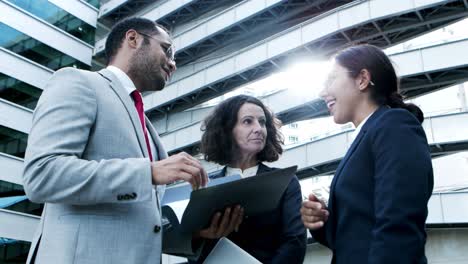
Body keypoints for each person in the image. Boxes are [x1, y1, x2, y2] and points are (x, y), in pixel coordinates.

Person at [22, 17, 208, 264]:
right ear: (133, 39)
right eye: (167, 49)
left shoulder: (145, 124)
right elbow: (42, 174)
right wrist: (146, 173)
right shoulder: (78, 82)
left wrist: (195, 234)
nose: (173, 64)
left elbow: (142, 226)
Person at [301, 44, 434, 263]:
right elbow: (354, 238)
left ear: (362, 79)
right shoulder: (370, 133)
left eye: (331, 79)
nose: (322, 92)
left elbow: (398, 226)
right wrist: (322, 220)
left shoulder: (394, 124)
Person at [191, 95, 307, 263]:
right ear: (227, 129)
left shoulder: (286, 181)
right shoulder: (204, 184)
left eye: (262, 122)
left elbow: (294, 241)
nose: (259, 128)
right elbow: (192, 249)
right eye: (248, 121)